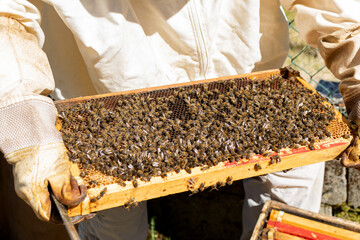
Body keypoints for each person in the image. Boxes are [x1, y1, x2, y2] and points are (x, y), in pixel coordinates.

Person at [1, 1, 360, 239]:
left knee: (294, 180)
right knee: (112, 222)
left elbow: (340, 13)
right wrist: (25, 121)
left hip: (248, 90)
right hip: (108, 106)